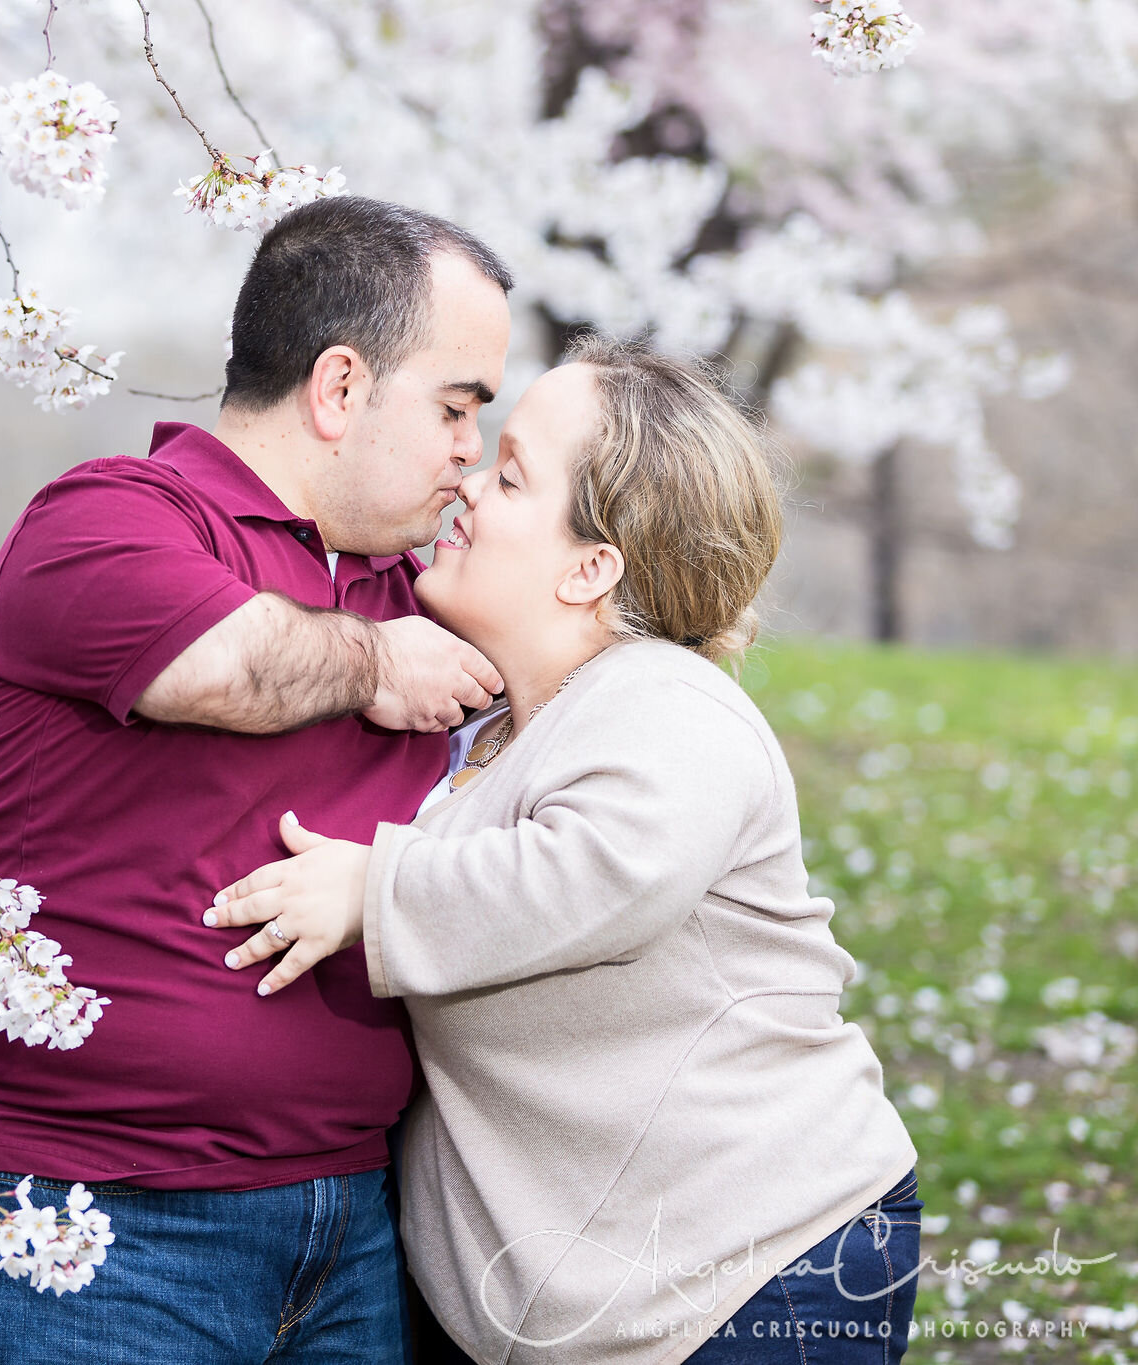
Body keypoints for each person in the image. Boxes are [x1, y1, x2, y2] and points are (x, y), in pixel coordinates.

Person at [0, 197, 515, 1363]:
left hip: (352, 1227)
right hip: (83, 1233)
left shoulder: (414, 585)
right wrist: (374, 662)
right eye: (456, 407)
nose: (470, 448)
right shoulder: (107, 519)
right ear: (337, 387)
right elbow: (218, 667)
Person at [208, 337, 922, 1364]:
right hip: (579, 1288)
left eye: (506, 478)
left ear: (590, 566)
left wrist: (375, 888)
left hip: (761, 1262)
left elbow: (599, 874)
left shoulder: (669, 705)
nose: (463, 488)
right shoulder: (492, 734)